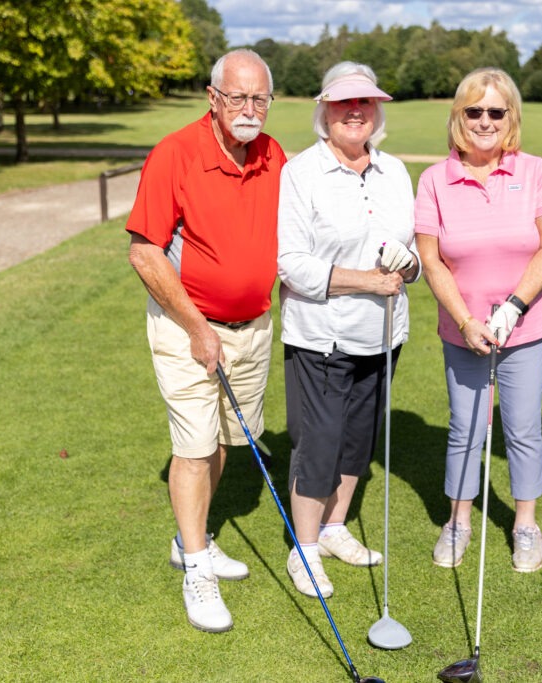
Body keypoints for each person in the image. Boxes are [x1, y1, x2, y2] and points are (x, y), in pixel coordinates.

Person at [126, 49, 286, 632]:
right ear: (213, 99)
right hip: (187, 326)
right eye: (238, 97)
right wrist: (197, 328)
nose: (249, 109)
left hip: (252, 328)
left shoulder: (273, 154)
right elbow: (145, 252)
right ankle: (197, 565)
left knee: (221, 441)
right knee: (194, 445)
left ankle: (188, 538)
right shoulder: (176, 153)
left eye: (259, 99)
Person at [414, 68, 542, 573]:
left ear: (511, 117)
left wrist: (513, 308)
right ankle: (458, 521)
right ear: (459, 116)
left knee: (522, 428)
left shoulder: (536, 171)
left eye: (495, 111)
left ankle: (525, 524)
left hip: (524, 327)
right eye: (473, 111)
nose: (484, 121)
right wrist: (464, 320)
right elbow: (431, 259)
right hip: (463, 330)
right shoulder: (436, 179)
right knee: (465, 428)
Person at [277, 62, 419, 598]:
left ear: (376, 111)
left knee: (359, 439)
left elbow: (415, 256)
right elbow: (290, 263)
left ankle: (335, 528)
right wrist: (367, 281)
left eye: (365, 103)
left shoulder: (396, 172)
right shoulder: (301, 173)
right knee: (320, 441)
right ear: (325, 110)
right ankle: (305, 548)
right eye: (343, 103)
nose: (355, 111)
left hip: (383, 333)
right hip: (321, 334)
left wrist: (408, 268)